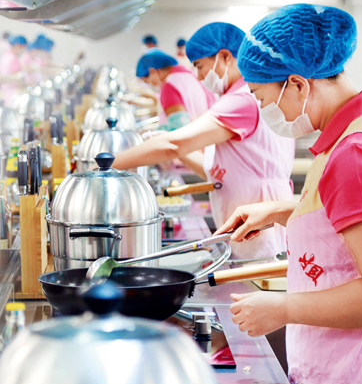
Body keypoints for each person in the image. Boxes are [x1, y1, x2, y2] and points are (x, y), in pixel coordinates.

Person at [216, 4, 362, 384]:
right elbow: (360, 215)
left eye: (264, 99)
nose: (265, 111)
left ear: (298, 84)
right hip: (348, 372)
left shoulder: (355, 153)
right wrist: (282, 210)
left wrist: (281, 309)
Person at [114, 22, 294, 259]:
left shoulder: (242, 100)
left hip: (259, 225)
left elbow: (174, 145)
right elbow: (214, 171)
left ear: (225, 57)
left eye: (200, 66)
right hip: (249, 219)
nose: (198, 76)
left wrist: (107, 164)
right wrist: (167, 143)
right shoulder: (240, 96)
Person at [136, 49, 216, 130]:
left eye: (146, 82)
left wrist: (154, 133)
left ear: (152, 71)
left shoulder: (169, 86)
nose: (149, 85)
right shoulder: (188, 74)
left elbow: (178, 127)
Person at [0, 34, 28, 100]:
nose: (23, 51)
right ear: (17, 46)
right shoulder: (13, 59)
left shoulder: (4, 56)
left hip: (4, 92)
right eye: (23, 48)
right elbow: (17, 78)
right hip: (13, 93)